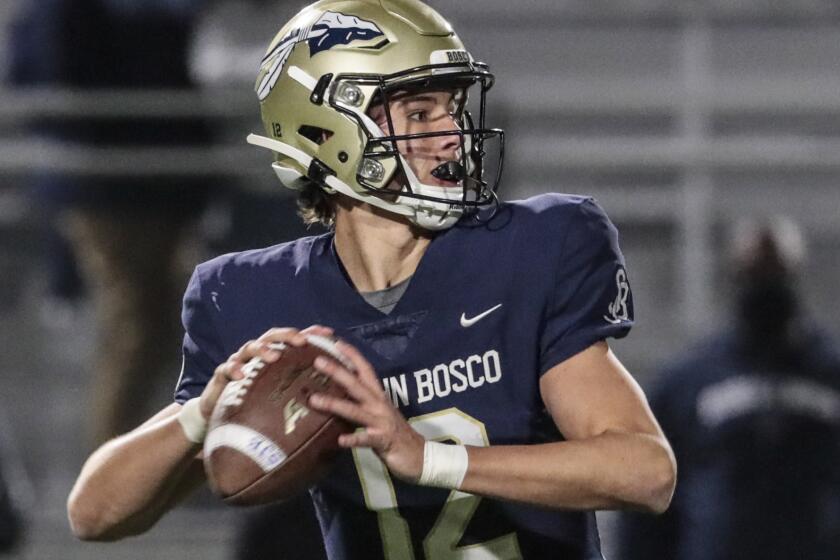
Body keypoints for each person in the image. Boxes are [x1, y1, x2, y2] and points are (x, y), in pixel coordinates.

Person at [67, 1, 676, 558]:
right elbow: (93, 514)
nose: (453, 135)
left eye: (454, 108)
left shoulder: (530, 250)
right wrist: (203, 413)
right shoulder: (253, 300)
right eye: (419, 112)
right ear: (327, 133)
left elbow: (645, 472)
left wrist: (428, 459)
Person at [8, 0, 213, 445]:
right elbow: (56, 77)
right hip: (107, 181)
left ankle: (139, 462)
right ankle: (114, 466)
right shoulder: (71, 15)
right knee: (136, 326)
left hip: (152, 175)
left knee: (159, 323)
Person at [617, 219, 840, 560]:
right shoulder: (687, 384)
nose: (766, 286)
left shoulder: (831, 374)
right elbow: (648, 503)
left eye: (774, 273)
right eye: (757, 273)